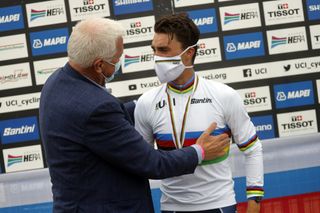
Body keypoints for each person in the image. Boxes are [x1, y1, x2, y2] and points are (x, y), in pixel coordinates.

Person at [39, 17, 230, 213]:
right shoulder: (97, 108)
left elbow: (102, 121)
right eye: (116, 59)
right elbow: (153, 163)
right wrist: (200, 151)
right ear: (98, 65)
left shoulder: (57, 81)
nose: (119, 63)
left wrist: (147, 101)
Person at [134, 13, 264, 213]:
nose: (156, 58)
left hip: (219, 205)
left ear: (189, 53)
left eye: (164, 50)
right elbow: (141, 162)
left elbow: (252, 148)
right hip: (171, 207)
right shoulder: (146, 102)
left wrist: (254, 203)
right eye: (154, 50)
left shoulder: (224, 95)